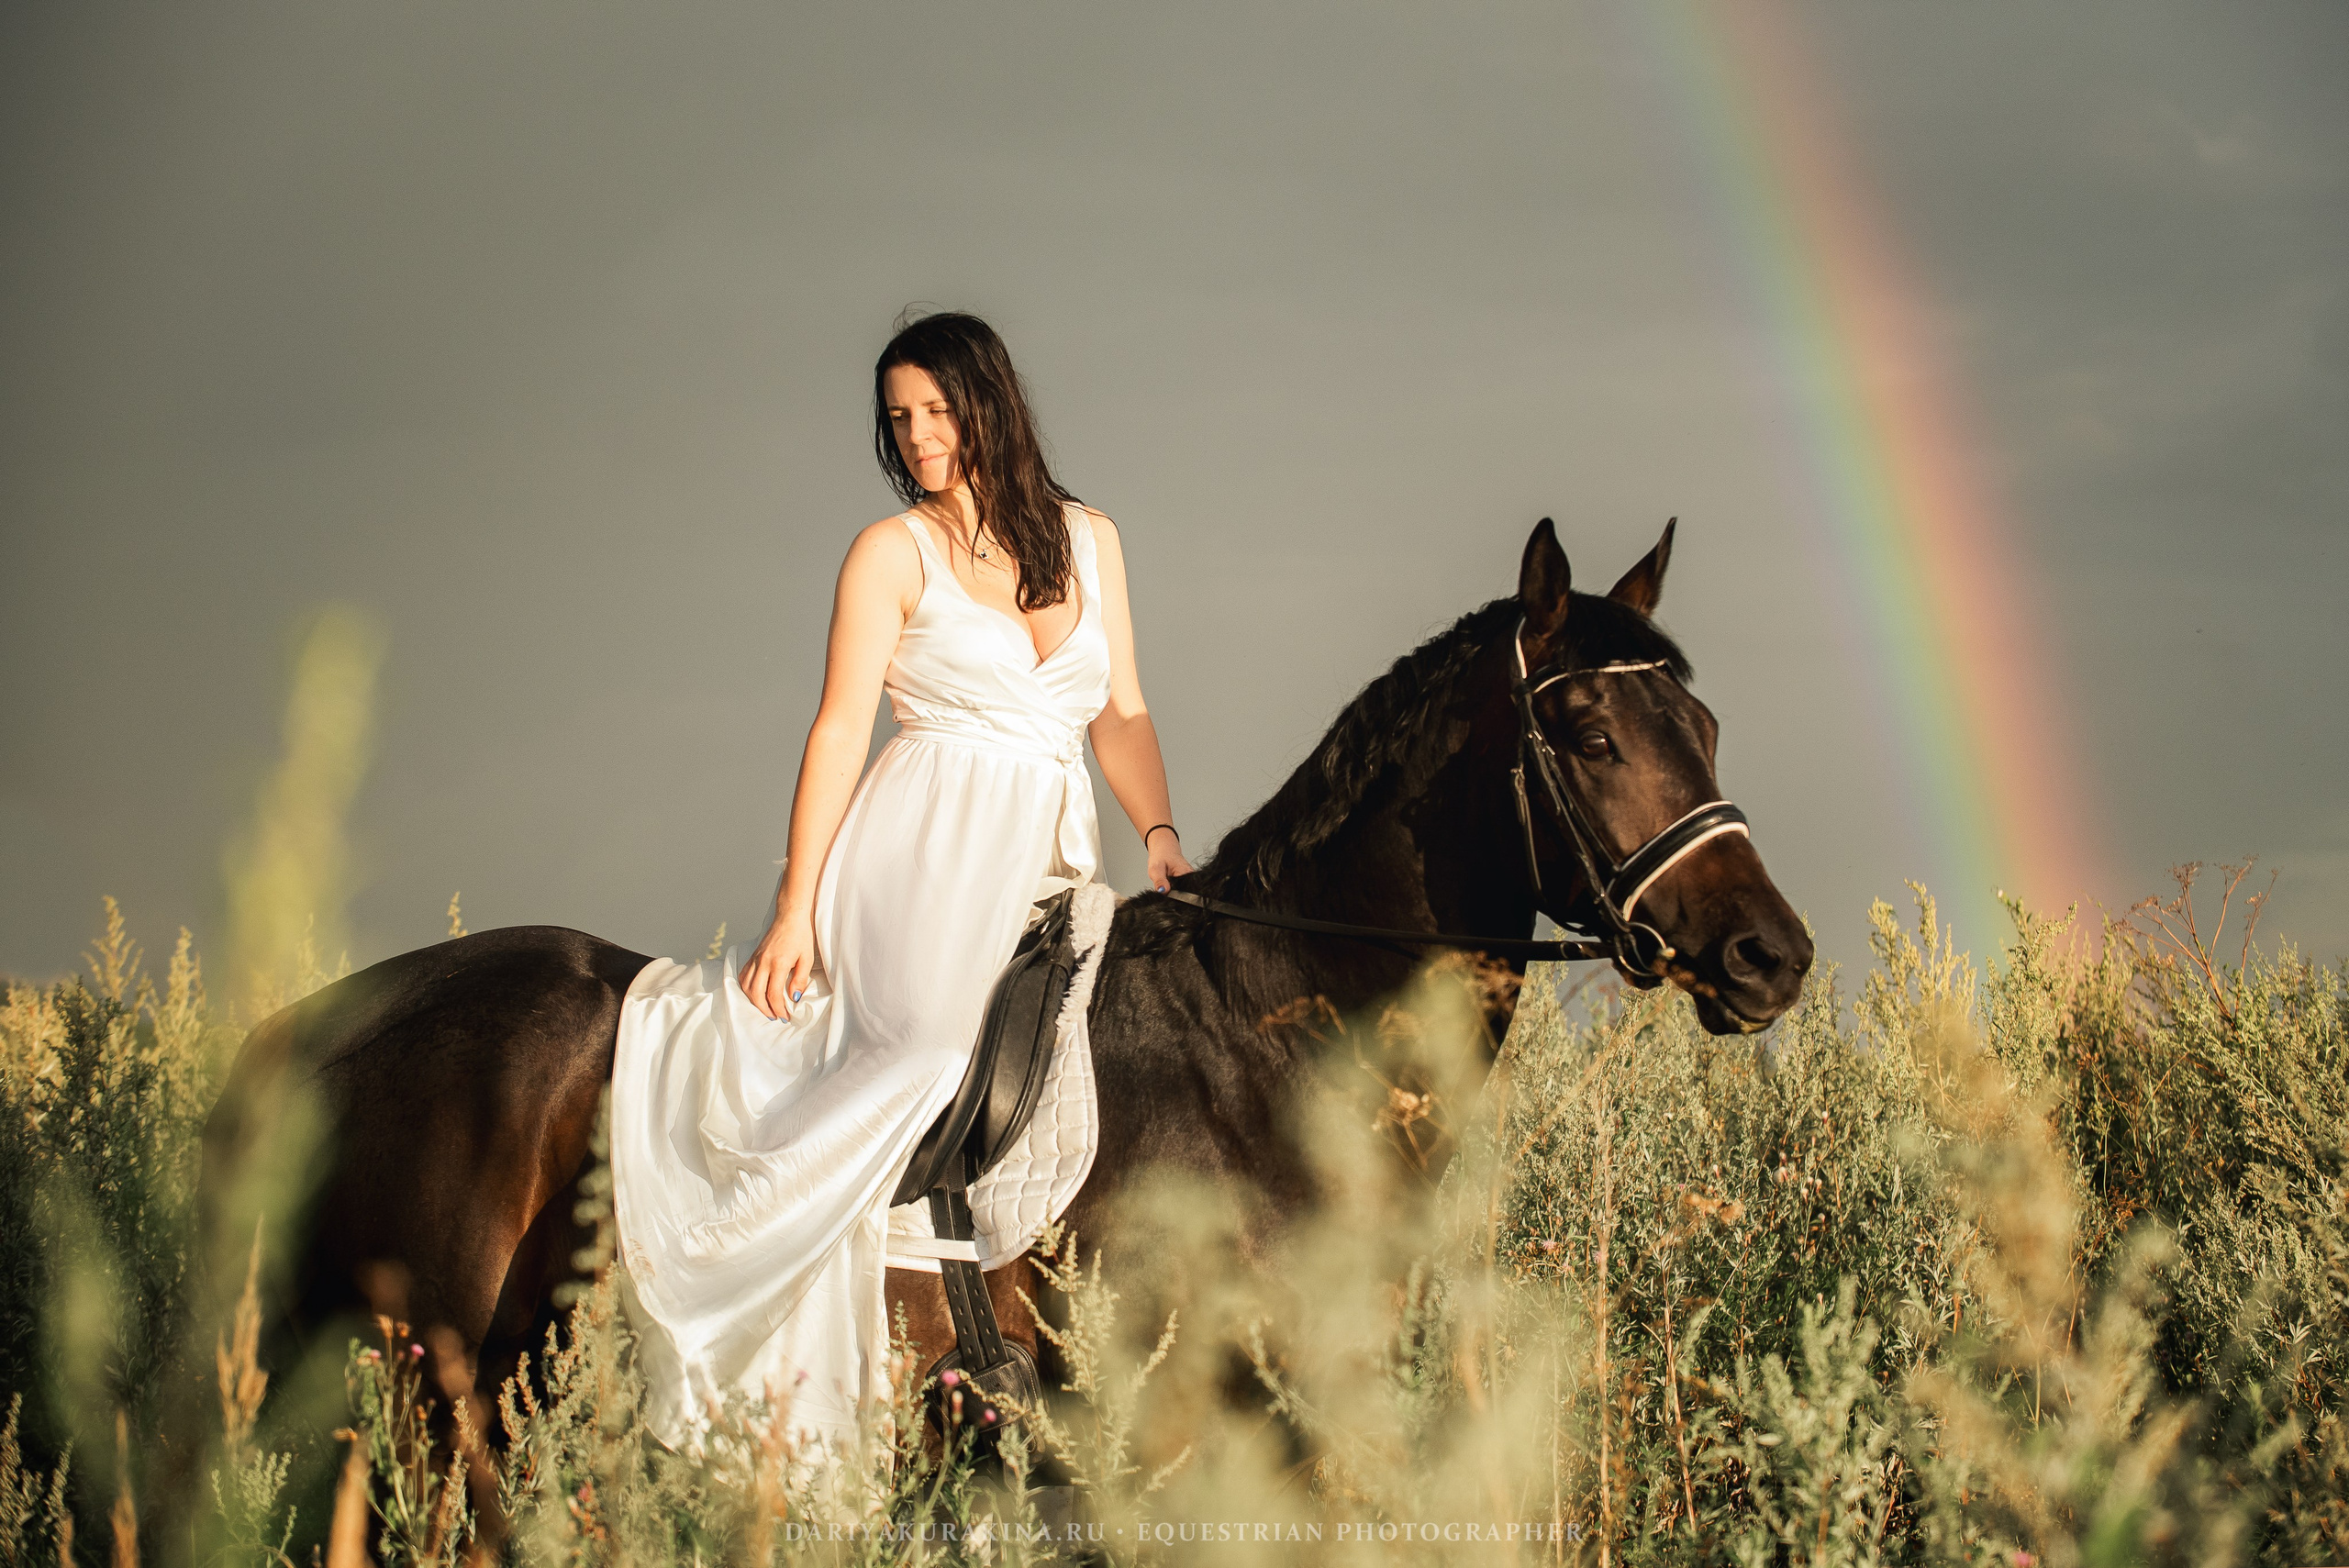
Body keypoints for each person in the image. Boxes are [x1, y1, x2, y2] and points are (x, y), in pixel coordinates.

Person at [607, 311, 1190, 1452]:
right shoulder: (891, 551)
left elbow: (1120, 712)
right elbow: (839, 730)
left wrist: (1159, 832)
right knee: (921, 1049)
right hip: (922, 848)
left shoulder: (1092, 538)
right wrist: (795, 907)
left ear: (989, 404)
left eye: (935, 410)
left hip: (1047, 850)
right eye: (898, 418)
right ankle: (748, 1267)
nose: (917, 436)